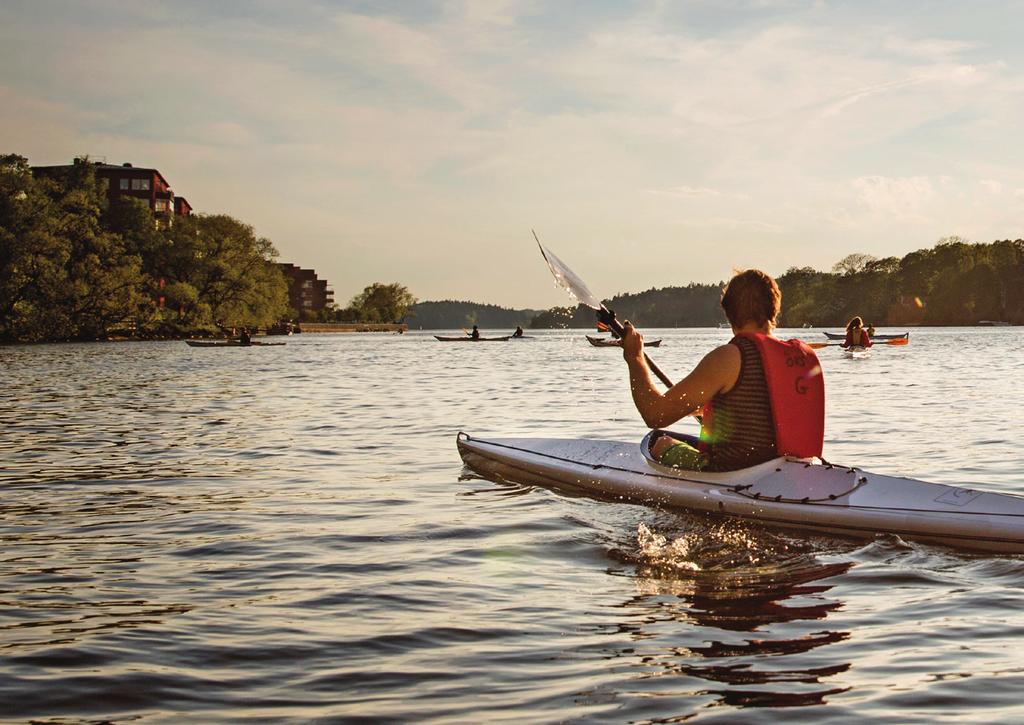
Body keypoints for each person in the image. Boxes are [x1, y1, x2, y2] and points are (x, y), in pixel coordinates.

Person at [620, 269, 825, 471]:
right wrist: (712, 411)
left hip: (735, 473)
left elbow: (655, 414)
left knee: (659, 441)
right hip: (793, 470)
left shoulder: (730, 356)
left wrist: (635, 358)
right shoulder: (802, 357)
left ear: (729, 312)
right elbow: (766, 410)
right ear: (775, 308)